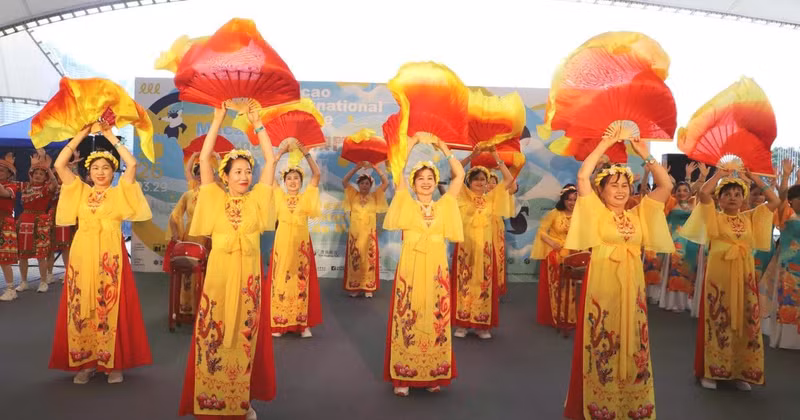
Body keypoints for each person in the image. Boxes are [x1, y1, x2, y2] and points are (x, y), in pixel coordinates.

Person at [563, 136, 674, 419]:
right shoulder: (596, 211)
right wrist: (605, 143)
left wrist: (644, 153)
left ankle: (631, 403)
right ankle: (601, 403)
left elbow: (666, 186)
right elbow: (582, 175)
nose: (621, 190)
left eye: (625, 185)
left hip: (632, 284)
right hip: (602, 283)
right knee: (603, 337)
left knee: (634, 338)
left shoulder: (640, 213)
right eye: (613, 185)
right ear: (601, 191)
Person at [178, 107, 277, 420]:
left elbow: (272, 160)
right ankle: (211, 396)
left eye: (247, 171)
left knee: (244, 333)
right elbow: (205, 158)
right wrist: (218, 118)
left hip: (248, 275)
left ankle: (241, 399)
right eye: (238, 172)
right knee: (216, 331)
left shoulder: (258, 200)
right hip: (219, 274)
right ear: (226, 176)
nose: (245, 176)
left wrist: (258, 123)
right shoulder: (214, 197)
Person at [49, 122, 152, 385]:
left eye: (106, 167)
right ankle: (86, 363)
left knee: (111, 307)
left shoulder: (120, 193)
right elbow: (60, 165)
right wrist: (82, 134)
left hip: (110, 257)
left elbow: (133, 165)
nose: (100, 172)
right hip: (83, 255)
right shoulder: (79, 190)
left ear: (112, 170)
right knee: (82, 307)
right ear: (88, 171)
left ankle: (113, 363)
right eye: (95, 168)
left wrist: (108, 135)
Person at [681, 168, 779, 391]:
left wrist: (754, 178)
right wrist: (718, 175)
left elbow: (773, 200)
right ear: (720, 199)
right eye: (727, 194)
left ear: (743, 198)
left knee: (745, 321)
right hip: (720, 276)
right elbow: (704, 195)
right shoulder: (713, 216)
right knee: (718, 318)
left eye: (737, 194)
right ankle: (712, 371)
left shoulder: (751, 218)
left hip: (744, 275)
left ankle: (739, 371)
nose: (733, 198)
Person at [383, 134, 464, 397]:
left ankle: (433, 372)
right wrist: (413, 142)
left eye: (430, 179)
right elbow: (397, 168)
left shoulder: (445, 205)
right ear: (414, 183)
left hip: (437, 269)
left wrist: (444, 147)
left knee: (436, 317)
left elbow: (460, 176)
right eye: (421, 179)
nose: (427, 183)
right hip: (411, 266)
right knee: (408, 315)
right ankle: (404, 376)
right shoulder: (406, 201)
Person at [451, 148, 513, 339]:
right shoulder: (462, 196)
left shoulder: (492, 199)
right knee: (464, 284)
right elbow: (455, 171)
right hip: (465, 249)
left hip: (485, 251)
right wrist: (472, 155)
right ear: (469, 181)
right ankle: (462, 323)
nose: (479, 182)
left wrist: (496, 157)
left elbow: (509, 180)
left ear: (487, 183)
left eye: (483, 179)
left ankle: (482, 326)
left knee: (483, 284)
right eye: (476, 179)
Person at [269, 141, 322, 338]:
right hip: (282, 245)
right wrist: (280, 152)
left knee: (301, 281)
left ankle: (302, 324)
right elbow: (269, 175)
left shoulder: (306, 197)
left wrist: (305, 152)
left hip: (301, 246)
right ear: (284, 181)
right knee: (281, 281)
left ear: (300, 181)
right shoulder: (279, 196)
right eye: (289, 178)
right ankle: (279, 322)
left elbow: (316, 175)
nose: (292, 181)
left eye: (296, 178)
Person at [165, 152, 208, 317]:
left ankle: (206, 308)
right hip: (191, 237)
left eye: (205, 174)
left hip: (209, 238)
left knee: (209, 274)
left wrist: (217, 159)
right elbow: (175, 215)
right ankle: (187, 306)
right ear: (196, 177)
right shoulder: (188, 194)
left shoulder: (216, 194)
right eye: (199, 175)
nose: (201, 177)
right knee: (189, 275)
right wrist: (176, 232)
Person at [532, 184, 577, 329]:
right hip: (555, 254)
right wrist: (552, 242)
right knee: (556, 286)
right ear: (563, 200)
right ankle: (555, 316)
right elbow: (542, 231)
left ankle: (569, 317)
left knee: (571, 287)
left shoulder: (581, 216)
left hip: (573, 255)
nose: (572, 203)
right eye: (569, 199)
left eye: (575, 200)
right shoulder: (555, 213)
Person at [341, 161, 389, 298]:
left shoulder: (375, 196)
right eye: (362, 183)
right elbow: (344, 181)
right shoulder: (353, 194)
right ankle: (355, 287)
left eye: (367, 183)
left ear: (370, 185)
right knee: (355, 260)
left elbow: (385, 183)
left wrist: (376, 168)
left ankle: (368, 287)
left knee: (368, 261)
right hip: (355, 235)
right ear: (358, 184)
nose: (364, 186)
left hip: (369, 236)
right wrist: (356, 167)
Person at [16, 150, 58, 293]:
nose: (38, 176)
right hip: (25, 222)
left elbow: (55, 183)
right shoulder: (26, 187)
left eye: (41, 174)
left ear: (45, 177)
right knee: (23, 254)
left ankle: (43, 281)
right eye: (36, 174)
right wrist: (33, 166)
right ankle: (23, 282)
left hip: (40, 222)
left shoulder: (46, 188)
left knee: (41, 254)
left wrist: (48, 169)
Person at [657, 180, 700, 312]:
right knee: (676, 270)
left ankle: (688, 302)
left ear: (690, 193)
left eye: (685, 190)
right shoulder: (671, 205)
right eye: (679, 190)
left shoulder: (694, 205)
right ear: (675, 193)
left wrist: (702, 177)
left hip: (691, 242)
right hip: (676, 242)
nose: (682, 193)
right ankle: (674, 302)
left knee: (690, 270)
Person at [0, 153, 19, 301]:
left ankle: (11, 289)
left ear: (9, 174)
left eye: (1, 170)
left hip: (5, 224)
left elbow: (4, 193)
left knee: (4, 259)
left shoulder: (12, 186)